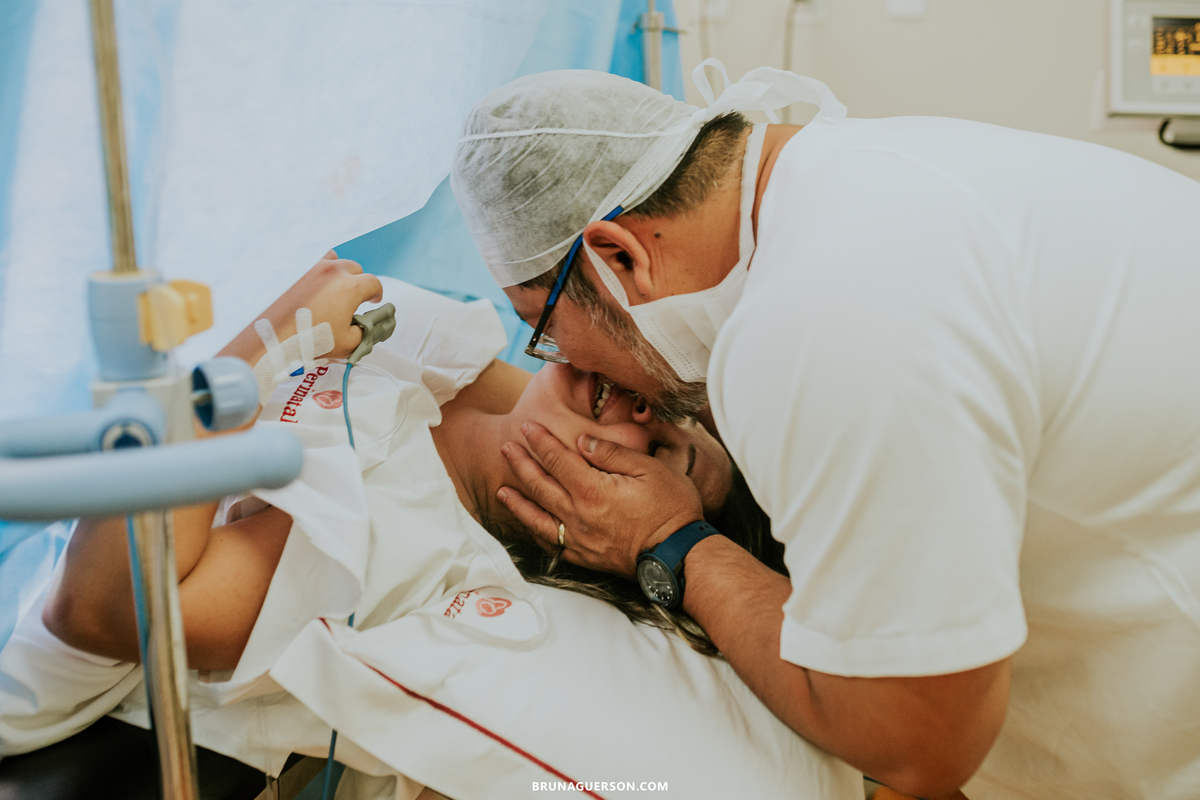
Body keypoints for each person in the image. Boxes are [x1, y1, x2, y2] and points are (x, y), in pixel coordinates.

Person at [449, 64, 1200, 800]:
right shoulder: (854, 173)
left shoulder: (814, 325)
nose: (570, 366)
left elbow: (917, 742)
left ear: (620, 256)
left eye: (544, 329)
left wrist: (670, 544)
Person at [1, 253, 782, 757]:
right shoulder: (472, 363)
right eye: (674, 411)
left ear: (611, 539)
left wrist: (269, 345)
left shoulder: (389, 545)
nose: (647, 408)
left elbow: (104, 611)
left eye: (661, 453)